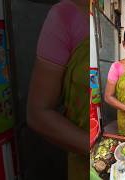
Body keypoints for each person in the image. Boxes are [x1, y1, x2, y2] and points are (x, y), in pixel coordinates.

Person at [27, 0, 88, 179]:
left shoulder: (110, 22)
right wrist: (97, 148)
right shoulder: (65, 16)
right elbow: (38, 114)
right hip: (86, 162)